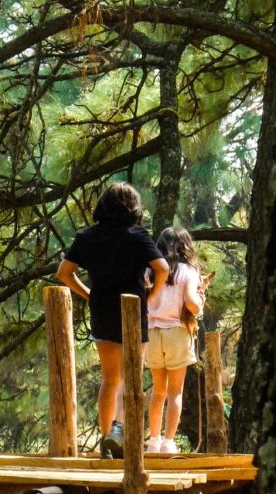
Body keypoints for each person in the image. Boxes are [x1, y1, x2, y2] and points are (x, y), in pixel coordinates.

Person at [57, 183, 168, 457]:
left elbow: (64, 273)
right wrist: (153, 294)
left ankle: (107, 439)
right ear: (134, 207)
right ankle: (120, 431)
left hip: (103, 311)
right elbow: (162, 268)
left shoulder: (87, 237)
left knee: (110, 379)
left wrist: (88, 294)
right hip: (133, 311)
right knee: (131, 378)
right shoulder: (137, 235)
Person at [146, 226, 207, 453]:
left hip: (152, 334)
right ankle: (169, 442)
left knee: (157, 391)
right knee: (175, 392)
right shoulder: (188, 271)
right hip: (177, 333)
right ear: (186, 247)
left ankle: (153, 440)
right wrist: (200, 303)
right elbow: (191, 303)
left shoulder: (150, 270)